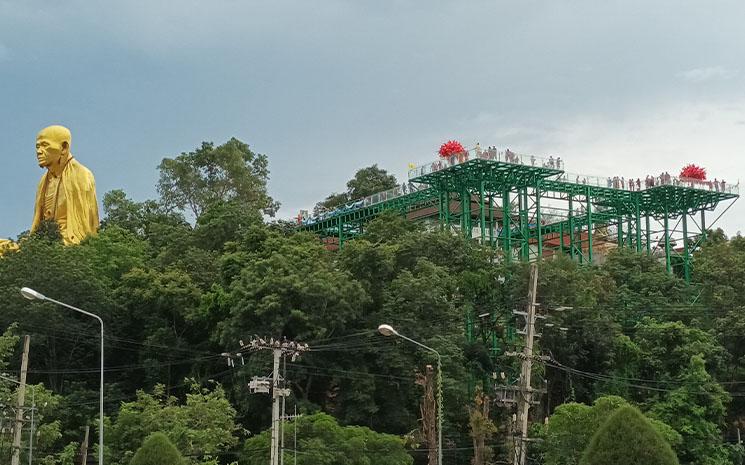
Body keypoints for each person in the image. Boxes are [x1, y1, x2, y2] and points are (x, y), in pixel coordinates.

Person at [31, 125, 99, 245]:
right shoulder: (43, 182)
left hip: (69, 242)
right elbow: (37, 227)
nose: (39, 151)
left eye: (45, 145)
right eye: (37, 146)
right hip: (44, 241)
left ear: (64, 147)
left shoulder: (81, 175)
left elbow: (84, 229)